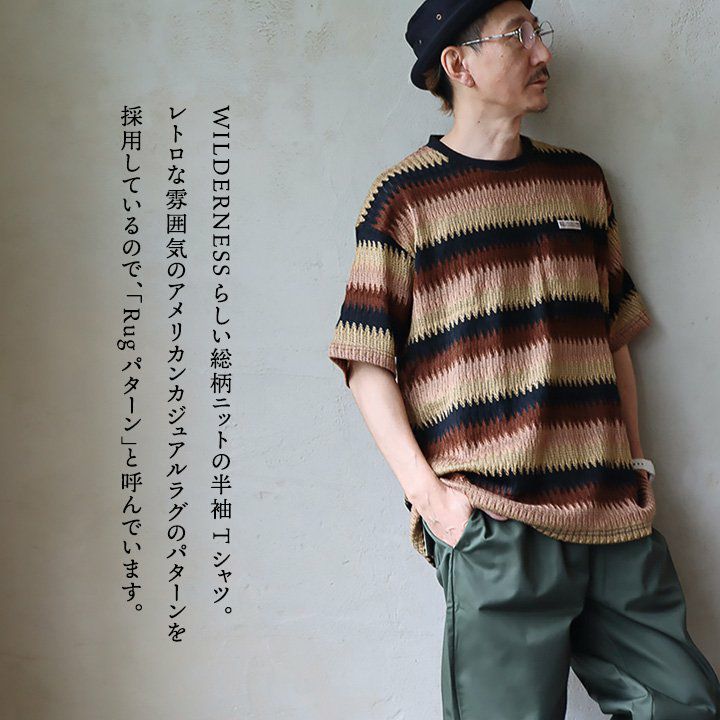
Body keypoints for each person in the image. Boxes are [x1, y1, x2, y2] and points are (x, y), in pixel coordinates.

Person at [327, 0, 720, 717]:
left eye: (540, 34)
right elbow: (366, 362)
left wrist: (638, 465)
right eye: (519, 37)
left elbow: (613, 337)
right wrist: (433, 502)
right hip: (494, 525)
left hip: (613, 517)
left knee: (685, 705)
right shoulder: (404, 200)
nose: (543, 53)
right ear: (458, 64)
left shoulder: (581, 183)